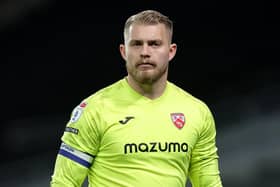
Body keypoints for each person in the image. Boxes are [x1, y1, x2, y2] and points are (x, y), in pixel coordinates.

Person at [50, 9, 223, 187]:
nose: (145, 52)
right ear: (124, 51)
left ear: (171, 51)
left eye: (155, 44)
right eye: (137, 44)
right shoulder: (94, 110)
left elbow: (209, 184)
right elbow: (64, 182)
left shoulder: (197, 112)